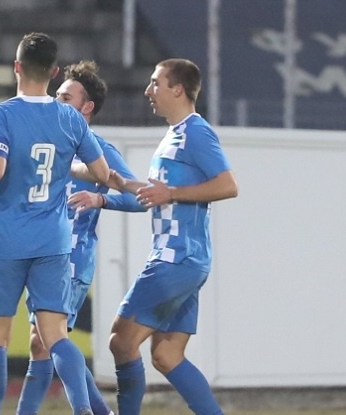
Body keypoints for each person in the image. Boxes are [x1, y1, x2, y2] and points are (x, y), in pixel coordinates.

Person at [0, 32, 110, 415]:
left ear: (17, 66)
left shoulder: (1, 114)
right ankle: (83, 408)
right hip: (53, 242)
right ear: (54, 72)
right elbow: (102, 172)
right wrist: (63, 166)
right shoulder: (70, 118)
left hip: (6, 240)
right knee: (56, 336)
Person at [104, 58, 238, 415]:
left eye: (155, 83)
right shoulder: (174, 135)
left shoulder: (196, 132)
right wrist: (123, 184)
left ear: (177, 89)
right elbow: (161, 192)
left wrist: (173, 193)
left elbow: (228, 185)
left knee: (121, 341)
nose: (148, 90)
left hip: (176, 258)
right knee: (166, 354)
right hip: (186, 260)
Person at [16, 60, 146, 415]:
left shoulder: (99, 151)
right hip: (40, 253)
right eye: (56, 95)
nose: (56, 101)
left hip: (72, 257)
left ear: (86, 107)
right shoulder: (48, 145)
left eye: (65, 97)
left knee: (45, 340)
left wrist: (101, 199)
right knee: (43, 341)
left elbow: (139, 199)